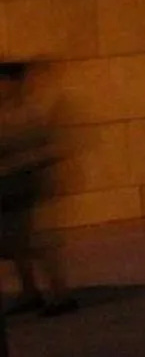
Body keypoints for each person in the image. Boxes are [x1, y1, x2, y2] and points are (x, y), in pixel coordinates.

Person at [0, 62, 69, 317]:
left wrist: (19, 161)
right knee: (16, 243)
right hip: (11, 187)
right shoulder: (9, 112)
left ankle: (60, 295)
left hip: (32, 185)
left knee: (41, 243)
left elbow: (50, 147)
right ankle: (30, 291)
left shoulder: (33, 111)